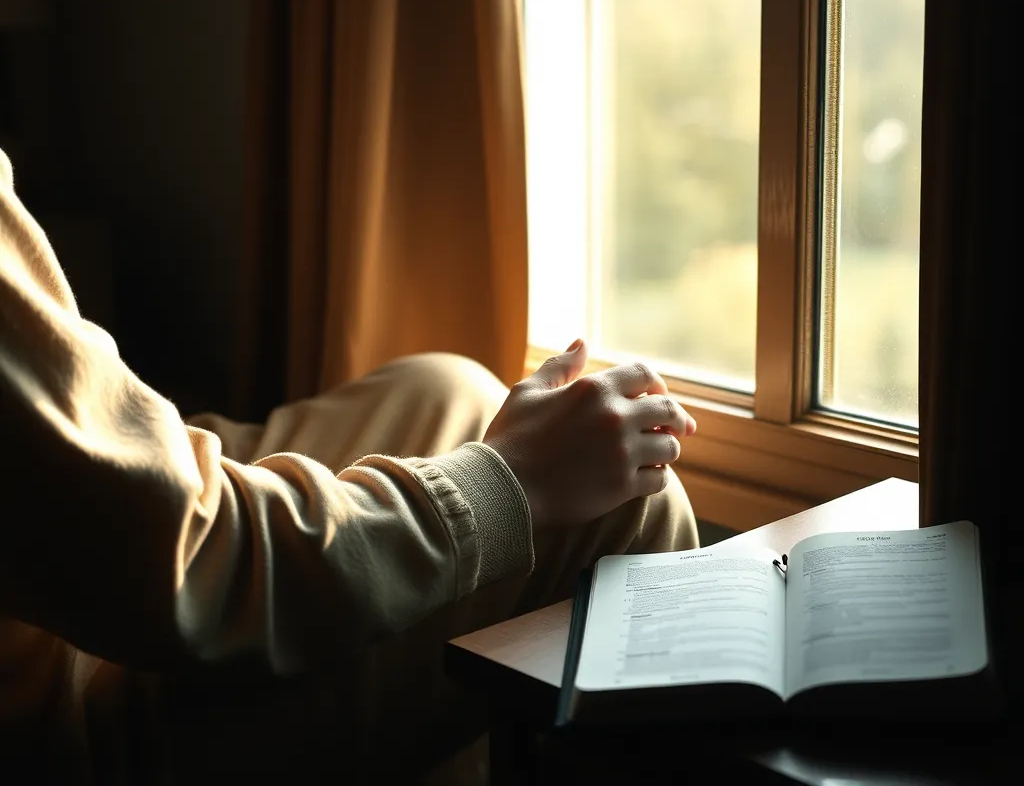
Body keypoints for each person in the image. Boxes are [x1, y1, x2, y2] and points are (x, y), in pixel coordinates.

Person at [0, 144, 700, 784]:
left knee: (445, 386)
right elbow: (187, 559)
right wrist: (507, 482)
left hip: (77, 621)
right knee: (625, 507)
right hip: (65, 734)